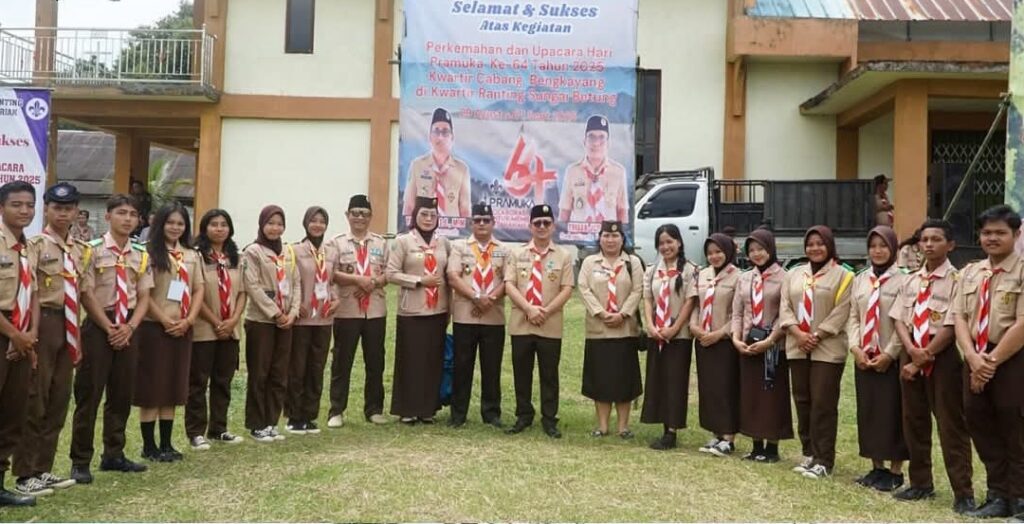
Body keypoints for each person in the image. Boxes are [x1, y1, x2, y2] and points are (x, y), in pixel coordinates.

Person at [890, 218, 975, 514]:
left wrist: (925, 354)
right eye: (924, 240)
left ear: (950, 245)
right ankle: (920, 482)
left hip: (942, 358)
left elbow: (953, 323)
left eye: (936, 239)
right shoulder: (910, 280)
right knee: (913, 420)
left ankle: (963, 491)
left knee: (951, 425)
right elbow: (899, 318)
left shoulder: (958, 280)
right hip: (911, 353)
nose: (928, 245)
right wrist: (912, 352)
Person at [949, 205, 1024, 520]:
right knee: (980, 423)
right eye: (986, 232)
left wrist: (989, 363)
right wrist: (971, 357)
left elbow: (1022, 323)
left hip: (1012, 357)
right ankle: (998, 494)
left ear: (1016, 234)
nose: (992, 238)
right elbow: (959, 317)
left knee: (1014, 426)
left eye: (1000, 232)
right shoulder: (970, 272)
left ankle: (1020, 498)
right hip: (975, 354)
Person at [71, 194, 151, 484]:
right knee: (89, 394)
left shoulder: (141, 254)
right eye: (121, 213)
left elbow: (144, 295)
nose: (127, 219)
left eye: (132, 214)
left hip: (129, 325)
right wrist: (109, 328)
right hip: (98, 325)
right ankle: (80, 460)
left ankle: (114, 454)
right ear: (107, 216)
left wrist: (129, 327)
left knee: (122, 393)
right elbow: (86, 293)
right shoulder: (90, 250)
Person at [12, 184, 86, 497]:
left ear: (76, 211)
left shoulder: (79, 248)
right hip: (43, 322)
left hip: (68, 324)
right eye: (57, 208)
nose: (63, 214)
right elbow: (27, 290)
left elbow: (81, 291)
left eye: (68, 208)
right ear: (47, 209)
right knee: (36, 398)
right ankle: (24, 472)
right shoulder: (35, 245)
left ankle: (43, 468)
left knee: (59, 397)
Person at [778, 225, 854, 479]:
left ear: (830, 245)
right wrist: (798, 334)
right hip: (797, 346)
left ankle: (824, 459)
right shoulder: (793, 274)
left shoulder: (844, 276)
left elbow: (842, 310)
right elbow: (785, 306)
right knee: (802, 400)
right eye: (810, 244)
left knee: (823, 402)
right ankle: (809, 452)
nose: (815, 248)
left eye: (820, 243)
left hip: (827, 348)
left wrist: (818, 334)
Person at [135, 203, 205, 463]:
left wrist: (189, 320)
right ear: (160, 224)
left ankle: (166, 443)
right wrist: (164, 320)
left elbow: (198, 289)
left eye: (181, 223)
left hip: (182, 327)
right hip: (154, 328)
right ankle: (149, 445)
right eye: (170, 222)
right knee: (153, 387)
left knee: (173, 386)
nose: (176, 228)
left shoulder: (191, 255)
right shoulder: (148, 253)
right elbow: (144, 293)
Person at [504, 204, 574, 438]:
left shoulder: (563, 256)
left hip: (549, 323)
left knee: (549, 374)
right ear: (530, 226)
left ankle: (549, 419)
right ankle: (523, 415)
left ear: (553, 226)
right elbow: (509, 284)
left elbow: (567, 289)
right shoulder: (517, 254)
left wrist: (545, 311)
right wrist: (529, 309)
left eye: (546, 222)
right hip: (521, 322)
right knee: (521, 372)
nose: (542, 227)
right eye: (537, 223)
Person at [847, 226, 908, 492]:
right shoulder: (861, 279)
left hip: (890, 358)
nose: (878, 251)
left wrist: (889, 353)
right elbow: (853, 317)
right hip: (864, 356)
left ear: (893, 249)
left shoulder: (904, 280)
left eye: (883, 246)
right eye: (873, 246)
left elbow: (903, 321)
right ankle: (876, 466)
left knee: (892, 412)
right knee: (869, 411)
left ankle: (895, 471)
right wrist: (855, 348)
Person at [186, 209, 247, 450]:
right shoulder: (196, 257)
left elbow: (242, 293)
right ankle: (195, 432)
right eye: (214, 224)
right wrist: (216, 322)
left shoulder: (236, 257)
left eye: (224, 224)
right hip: (204, 329)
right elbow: (195, 293)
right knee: (198, 382)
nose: (219, 229)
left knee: (223, 381)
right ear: (204, 228)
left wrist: (232, 320)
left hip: (230, 330)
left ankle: (218, 428)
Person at [327, 195, 390, 427]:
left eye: (364, 213)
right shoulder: (336, 243)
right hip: (347, 310)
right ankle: (336, 411)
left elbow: (390, 272)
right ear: (347, 215)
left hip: (374, 310)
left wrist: (372, 283)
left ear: (370, 216)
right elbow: (330, 273)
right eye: (355, 213)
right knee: (342, 361)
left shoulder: (381, 243)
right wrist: (358, 280)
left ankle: (374, 409)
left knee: (375, 362)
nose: (359, 218)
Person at [386, 196, 450, 424]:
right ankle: (408, 409)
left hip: (437, 310)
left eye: (433, 215)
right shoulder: (403, 241)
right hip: (412, 310)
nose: (428, 219)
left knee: (433, 360)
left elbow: (448, 277)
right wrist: (420, 280)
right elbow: (391, 273)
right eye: (424, 214)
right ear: (415, 216)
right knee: (411, 360)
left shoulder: (444, 243)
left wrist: (450, 310)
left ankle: (427, 409)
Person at [577, 221, 643, 438]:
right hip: (598, 329)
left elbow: (638, 290)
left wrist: (623, 314)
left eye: (615, 236)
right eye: (606, 236)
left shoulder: (633, 262)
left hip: (625, 330)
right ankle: (602, 425)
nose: (610, 240)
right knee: (601, 379)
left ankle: (623, 426)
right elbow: (583, 289)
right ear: (600, 238)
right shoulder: (590, 262)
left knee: (624, 379)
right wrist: (601, 313)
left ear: (623, 239)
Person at [731, 228, 792, 463]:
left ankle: (772, 447)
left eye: (761, 249)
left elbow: (784, 313)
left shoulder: (784, 277)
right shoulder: (745, 278)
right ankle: (756, 444)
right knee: (751, 394)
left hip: (773, 344)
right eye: (752, 250)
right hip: (748, 343)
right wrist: (736, 338)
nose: (756, 254)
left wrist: (770, 340)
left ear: (771, 249)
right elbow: (738, 312)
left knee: (772, 395)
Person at [446, 203, 508, 428]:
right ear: (471, 223)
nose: (482, 224)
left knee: (492, 367)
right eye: (478, 220)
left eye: (486, 220)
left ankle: (491, 413)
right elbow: (453, 276)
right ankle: (458, 414)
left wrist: (489, 299)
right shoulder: (459, 246)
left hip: (494, 315)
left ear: (493, 223)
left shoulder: (504, 249)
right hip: (465, 315)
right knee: (462, 366)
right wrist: (476, 297)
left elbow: (508, 280)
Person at [242, 205, 300, 443]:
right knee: (260, 373)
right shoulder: (253, 251)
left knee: (279, 373)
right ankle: (257, 424)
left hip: (286, 321)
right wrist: (276, 314)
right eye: (270, 223)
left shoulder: (288, 251)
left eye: (279, 224)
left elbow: (296, 283)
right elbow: (252, 286)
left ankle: (271, 422)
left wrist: (293, 313)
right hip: (262, 321)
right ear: (262, 224)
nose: (275, 228)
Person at [641, 224, 698, 450]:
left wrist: (674, 329)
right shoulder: (652, 270)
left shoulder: (689, 269)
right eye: (661, 243)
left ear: (679, 243)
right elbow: (647, 299)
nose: (665, 247)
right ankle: (662, 424)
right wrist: (649, 325)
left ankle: (672, 430)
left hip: (678, 335)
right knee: (658, 379)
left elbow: (690, 301)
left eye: (670, 242)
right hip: (657, 333)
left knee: (675, 381)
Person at [0, 181, 39, 506]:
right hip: (5, 329)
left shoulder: (28, 246)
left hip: (23, 333)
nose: (24, 210)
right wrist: (13, 334)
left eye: (29, 205)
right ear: (2, 207)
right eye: (16, 204)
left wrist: (29, 335)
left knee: (12, 412)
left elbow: (34, 294)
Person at [286, 206, 338, 434]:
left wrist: (335, 300)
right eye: (313, 221)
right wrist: (295, 305)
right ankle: (294, 416)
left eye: (322, 221)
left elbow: (331, 282)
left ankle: (309, 415)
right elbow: (289, 281)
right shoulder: (294, 250)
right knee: (297, 368)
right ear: (306, 223)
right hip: (303, 318)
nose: (318, 225)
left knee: (317, 367)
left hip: (324, 319)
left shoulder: (331, 252)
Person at [690, 233, 741, 456]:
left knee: (725, 388)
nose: (714, 256)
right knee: (709, 388)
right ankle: (716, 433)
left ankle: (728, 437)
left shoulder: (738, 277)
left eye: (718, 252)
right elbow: (696, 305)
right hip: (703, 340)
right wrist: (694, 327)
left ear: (728, 252)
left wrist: (719, 334)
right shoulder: (702, 275)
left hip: (725, 342)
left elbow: (739, 313)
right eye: (710, 253)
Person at [558, 115, 629, 224]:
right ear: (584, 141)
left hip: (607, 233)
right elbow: (564, 213)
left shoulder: (618, 172)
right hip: (579, 233)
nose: (596, 143)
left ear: (608, 143)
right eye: (591, 137)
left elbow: (622, 212)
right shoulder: (572, 172)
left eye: (601, 137)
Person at [403, 108, 471, 219]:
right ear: (430, 136)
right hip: (423, 227)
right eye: (436, 131)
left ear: (452, 137)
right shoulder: (417, 166)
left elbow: (465, 210)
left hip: (452, 229)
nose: (440, 137)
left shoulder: (462, 169)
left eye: (445, 132)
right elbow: (409, 206)